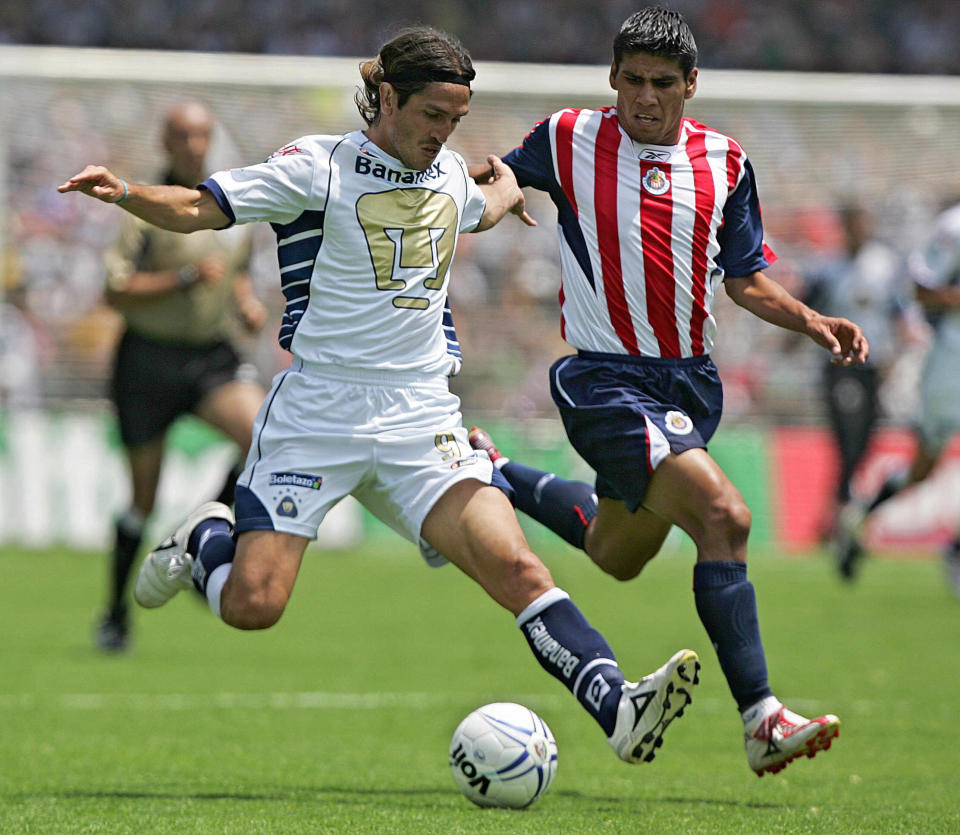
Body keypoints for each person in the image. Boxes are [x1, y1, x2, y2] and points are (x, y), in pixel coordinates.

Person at [60, 26, 703, 766]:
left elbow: (487, 198)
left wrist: (510, 185)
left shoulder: (451, 175)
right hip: (317, 415)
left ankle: (617, 708)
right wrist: (126, 194)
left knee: (518, 568)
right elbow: (200, 208)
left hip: (420, 419)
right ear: (389, 96)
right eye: (433, 114)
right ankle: (206, 539)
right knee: (253, 606)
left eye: (455, 120)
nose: (443, 133)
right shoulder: (317, 166)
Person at [466, 6, 867, 777]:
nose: (644, 97)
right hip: (603, 379)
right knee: (725, 514)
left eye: (661, 83)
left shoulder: (726, 161)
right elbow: (505, 172)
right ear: (612, 78)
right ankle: (760, 716)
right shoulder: (570, 137)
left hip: (691, 383)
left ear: (690, 83)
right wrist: (499, 188)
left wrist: (812, 319)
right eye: (631, 81)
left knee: (616, 552)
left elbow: (745, 279)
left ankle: (495, 471)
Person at [94, 100, 269, 652]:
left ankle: (203, 529)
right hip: (146, 360)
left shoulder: (229, 204)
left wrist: (244, 302)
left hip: (209, 357)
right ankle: (116, 614)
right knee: (141, 502)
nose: (195, 146)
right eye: (183, 136)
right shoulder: (145, 208)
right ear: (165, 142)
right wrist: (184, 278)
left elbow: (235, 273)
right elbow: (113, 290)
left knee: (266, 434)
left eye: (202, 135)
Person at [834, 197, 960, 595]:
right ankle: (860, 519)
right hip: (951, 362)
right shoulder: (954, 227)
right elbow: (921, 289)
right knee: (923, 466)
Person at [799, 202, 916, 558]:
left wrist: (899, 349)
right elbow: (807, 309)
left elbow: (897, 310)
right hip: (840, 366)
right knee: (848, 445)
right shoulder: (828, 268)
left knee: (863, 445)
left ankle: (838, 520)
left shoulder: (883, 266)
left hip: (873, 367)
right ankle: (839, 523)